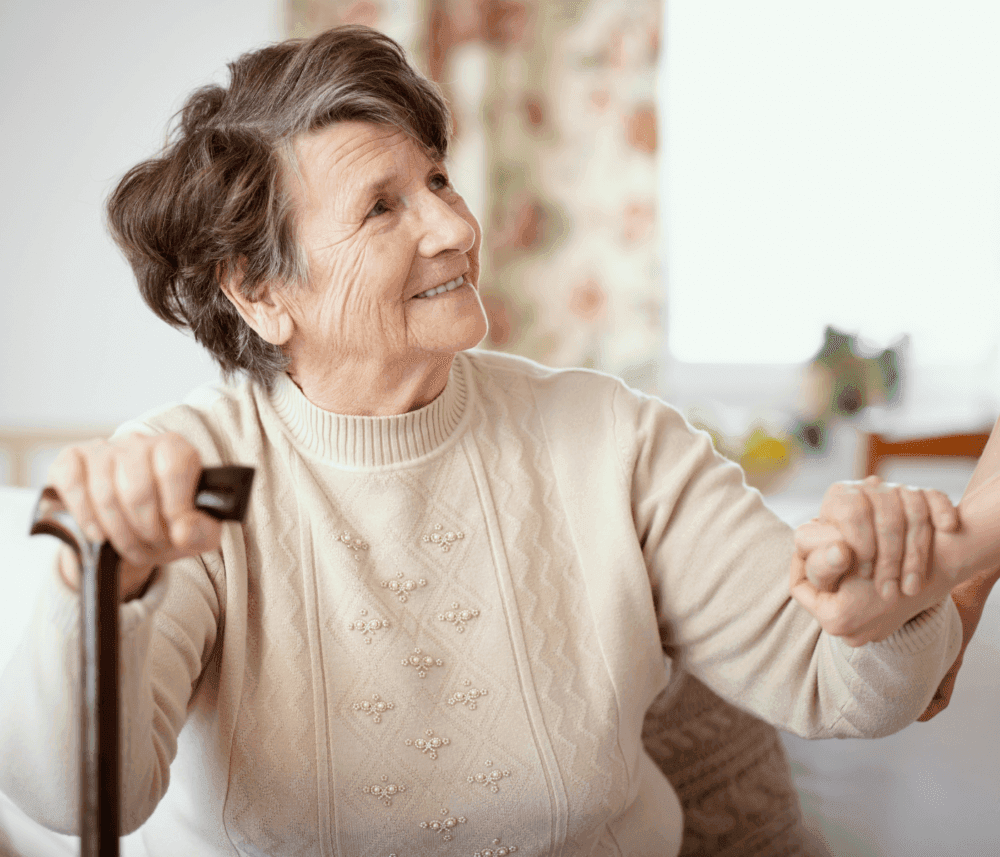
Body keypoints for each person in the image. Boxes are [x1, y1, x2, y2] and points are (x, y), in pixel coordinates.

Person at [0, 25, 991, 857]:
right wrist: (102, 583)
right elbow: (78, 797)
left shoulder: (612, 435)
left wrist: (885, 613)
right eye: (381, 206)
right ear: (260, 290)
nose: (452, 227)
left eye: (438, 178)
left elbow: (836, 685)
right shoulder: (179, 476)